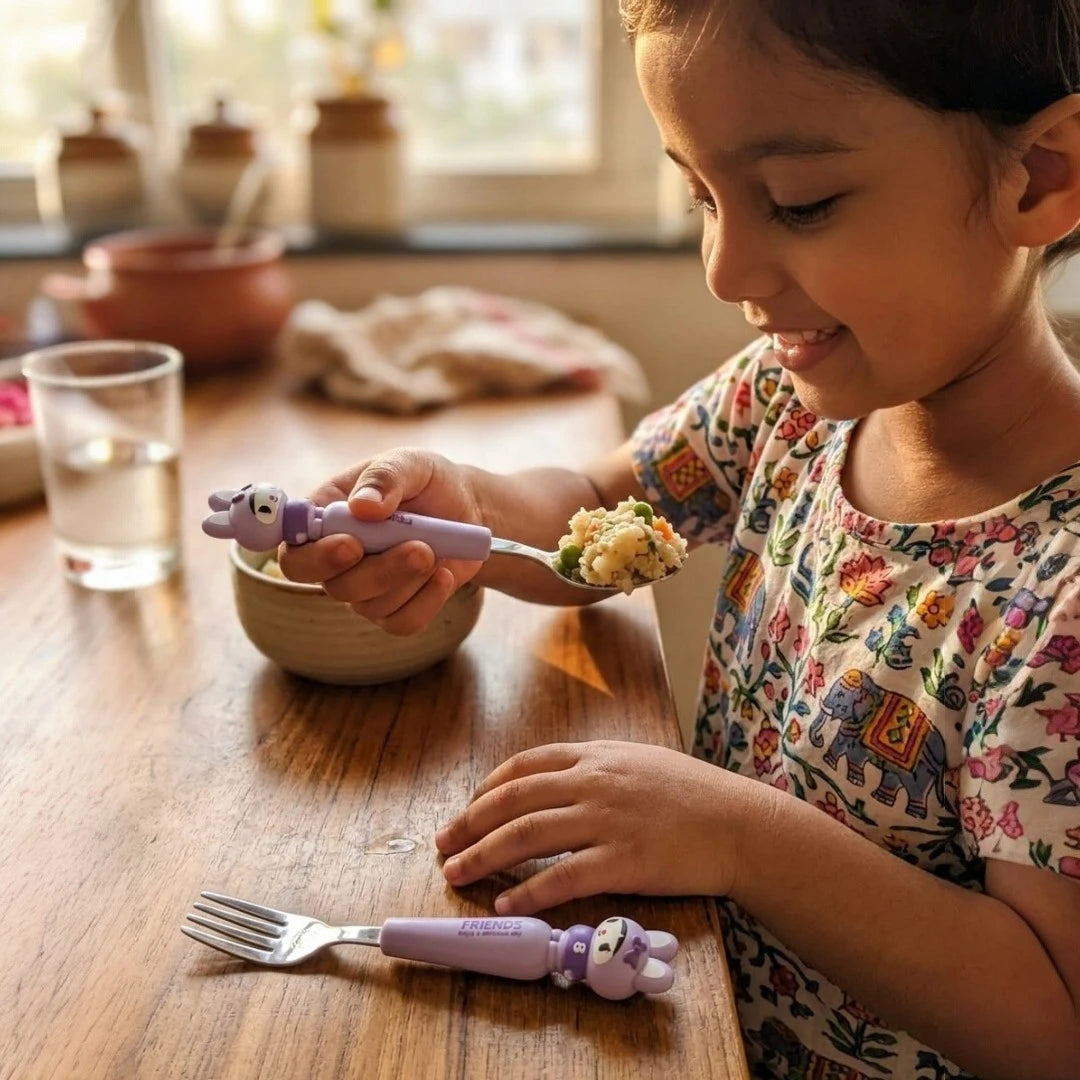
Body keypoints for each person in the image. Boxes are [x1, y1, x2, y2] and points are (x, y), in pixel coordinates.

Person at [280, 3, 1080, 1077]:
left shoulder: (1060, 595)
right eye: (699, 195)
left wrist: (737, 839)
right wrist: (465, 505)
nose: (725, 266)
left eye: (799, 202)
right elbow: (597, 513)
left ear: (1042, 174)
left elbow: (1052, 1023)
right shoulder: (792, 401)